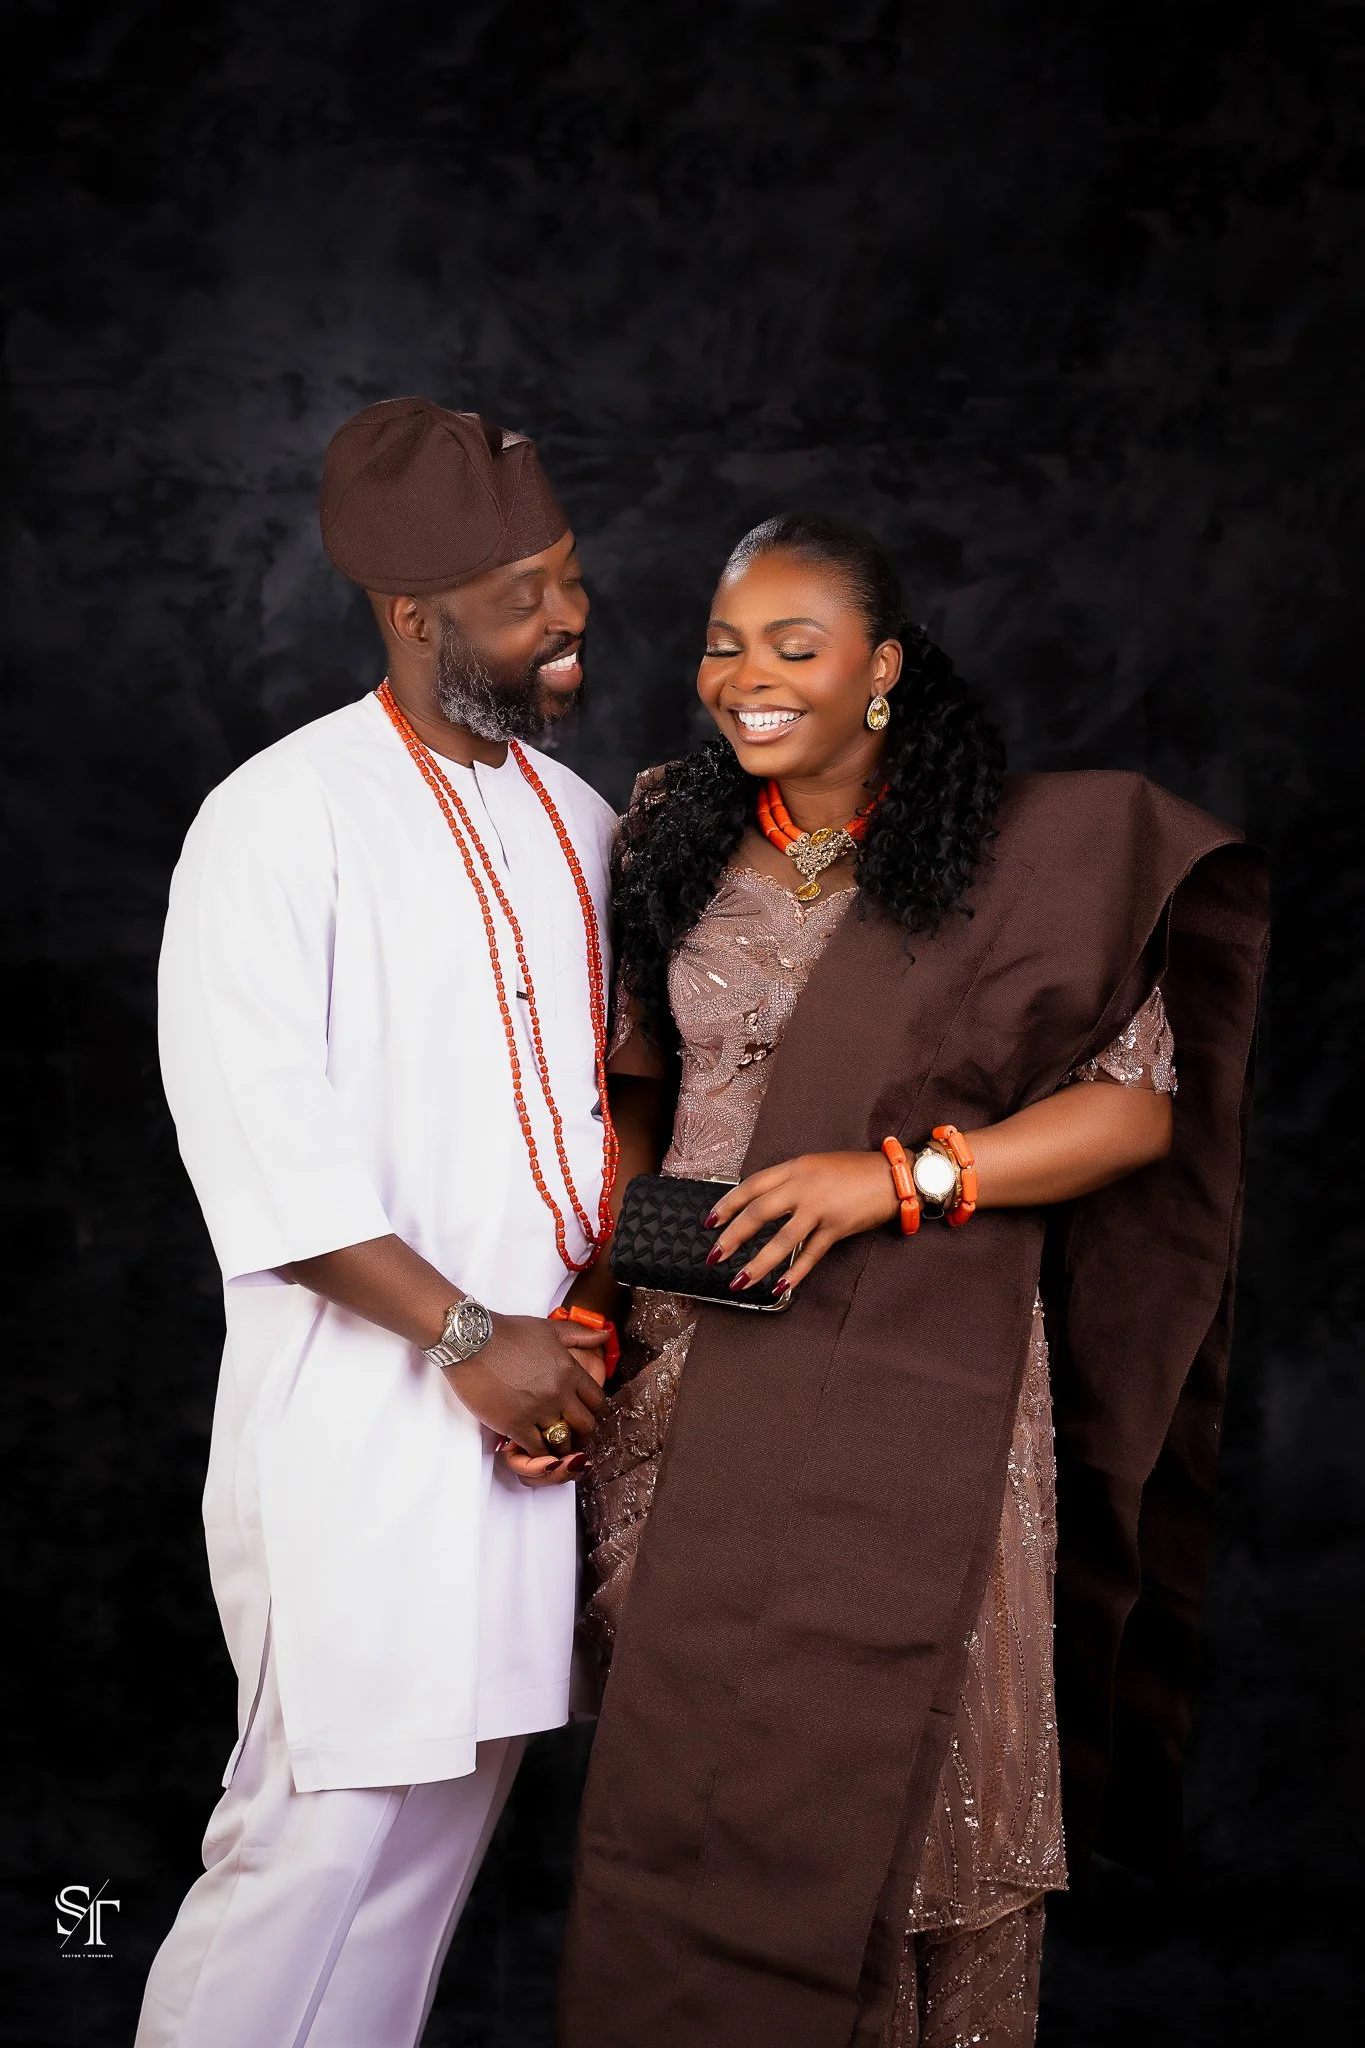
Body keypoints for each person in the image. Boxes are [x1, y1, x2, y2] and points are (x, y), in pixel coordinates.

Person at [551, 514, 1267, 2048]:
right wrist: (597, 1310)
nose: (747, 678)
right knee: (717, 1796)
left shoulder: (1019, 858)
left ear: (880, 668)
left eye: (793, 646)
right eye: (725, 643)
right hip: (690, 1371)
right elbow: (635, 1095)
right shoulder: (669, 819)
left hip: (920, 1375)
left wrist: (894, 1178)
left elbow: (1135, 1108)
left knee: (915, 1775)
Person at [137, 398, 616, 2048]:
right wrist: (478, 1342)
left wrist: (565, 1357)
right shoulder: (278, 820)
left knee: (428, 1863)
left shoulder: (585, 821)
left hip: (529, 1434)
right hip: (361, 1431)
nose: (567, 619)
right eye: (523, 596)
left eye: (567, 578)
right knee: (306, 1850)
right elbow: (262, 1158)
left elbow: (591, 1139)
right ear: (412, 615)